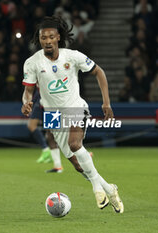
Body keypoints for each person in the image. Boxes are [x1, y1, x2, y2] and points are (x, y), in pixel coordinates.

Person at [21, 16, 123, 213]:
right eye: (43, 38)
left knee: (75, 144)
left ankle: (96, 189)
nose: (47, 41)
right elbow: (28, 90)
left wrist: (106, 103)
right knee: (77, 165)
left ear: (58, 37)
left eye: (51, 37)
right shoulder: (32, 63)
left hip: (75, 107)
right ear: (40, 40)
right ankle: (110, 189)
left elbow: (99, 72)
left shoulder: (73, 56)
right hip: (52, 114)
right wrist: (26, 103)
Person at [28, 88, 63, 173]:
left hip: (52, 104)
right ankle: (57, 166)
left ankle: (83, 154)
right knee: (50, 135)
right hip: (43, 103)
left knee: (55, 135)